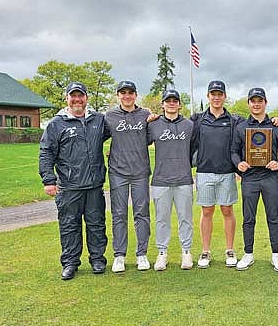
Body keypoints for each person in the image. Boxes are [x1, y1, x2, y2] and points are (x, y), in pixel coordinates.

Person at [39, 82, 108, 280]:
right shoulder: (56, 124)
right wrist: (48, 180)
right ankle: (70, 263)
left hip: (94, 185)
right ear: (67, 99)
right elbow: (46, 153)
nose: (77, 100)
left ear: (86, 98)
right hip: (69, 187)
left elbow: (122, 133)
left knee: (96, 224)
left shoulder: (99, 120)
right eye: (73, 96)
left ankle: (97, 259)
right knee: (69, 225)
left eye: (81, 96)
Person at [231, 88, 278, 271]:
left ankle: (276, 254)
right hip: (249, 178)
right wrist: (238, 164)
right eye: (253, 101)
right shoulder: (241, 128)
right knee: (248, 218)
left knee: (274, 217)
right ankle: (248, 254)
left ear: (265, 102)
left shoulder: (276, 126)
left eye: (260, 100)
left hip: (269, 177)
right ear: (248, 103)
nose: (256, 104)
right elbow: (233, 152)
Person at [190, 80, 240, 268]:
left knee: (227, 210)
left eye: (220, 94)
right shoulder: (198, 119)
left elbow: (255, 124)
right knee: (207, 211)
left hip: (227, 172)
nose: (217, 97)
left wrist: (275, 120)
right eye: (213, 94)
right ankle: (205, 251)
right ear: (208, 96)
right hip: (204, 172)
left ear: (225, 96)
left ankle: (230, 249)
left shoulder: (234, 120)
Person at [104, 81, 151, 273]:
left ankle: (142, 254)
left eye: (130, 92)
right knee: (119, 214)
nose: (127, 96)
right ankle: (119, 256)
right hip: (117, 172)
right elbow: (96, 137)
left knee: (141, 214)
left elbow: (152, 136)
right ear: (118, 95)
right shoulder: (109, 116)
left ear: (136, 95)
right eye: (123, 93)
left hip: (140, 172)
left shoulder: (145, 115)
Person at [147, 89, 194, 270]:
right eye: (168, 101)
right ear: (163, 104)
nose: (172, 103)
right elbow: (138, 142)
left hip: (184, 179)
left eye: (175, 101)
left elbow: (196, 148)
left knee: (185, 218)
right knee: (162, 219)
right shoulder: (153, 124)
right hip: (160, 180)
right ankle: (162, 253)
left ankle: (186, 252)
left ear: (179, 104)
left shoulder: (189, 125)